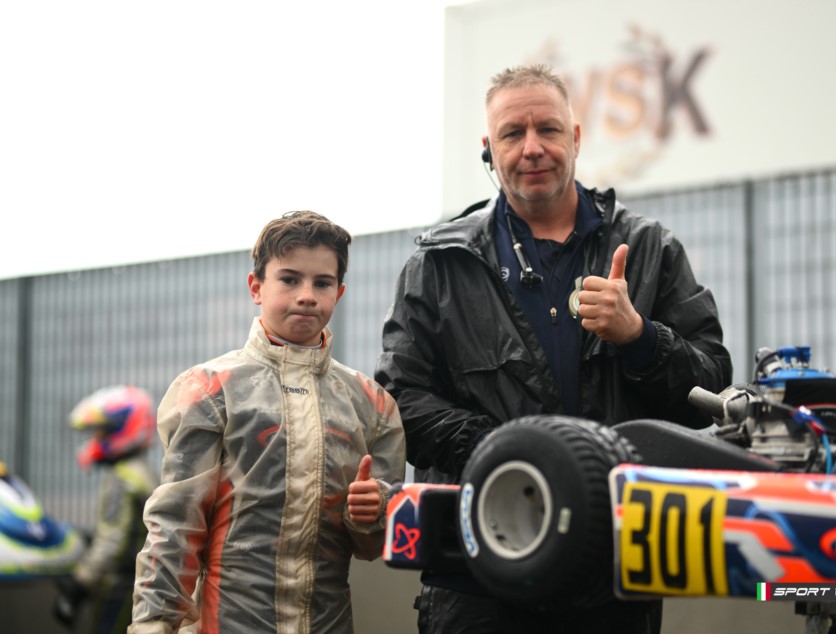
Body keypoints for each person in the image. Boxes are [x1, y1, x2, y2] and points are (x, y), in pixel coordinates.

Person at [375, 64, 732, 633]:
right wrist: (508, 453)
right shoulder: (439, 264)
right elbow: (400, 399)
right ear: (489, 149)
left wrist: (640, 338)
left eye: (548, 129)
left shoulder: (649, 248)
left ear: (576, 137)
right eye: (513, 133)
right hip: (479, 572)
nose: (533, 148)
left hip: (612, 568)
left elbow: (712, 389)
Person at [128, 211, 406, 633]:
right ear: (256, 287)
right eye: (290, 279)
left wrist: (374, 511)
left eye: (322, 283)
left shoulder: (373, 405)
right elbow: (175, 527)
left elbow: (375, 546)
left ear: (339, 292)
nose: (307, 295)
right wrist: (152, 625)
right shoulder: (209, 390)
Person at [53, 385, 159, 634]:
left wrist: (79, 585)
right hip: (145, 583)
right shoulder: (143, 472)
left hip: (121, 587)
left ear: (123, 430)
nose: (95, 439)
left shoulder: (122, 478)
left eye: (101, 431)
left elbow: (112, 543)